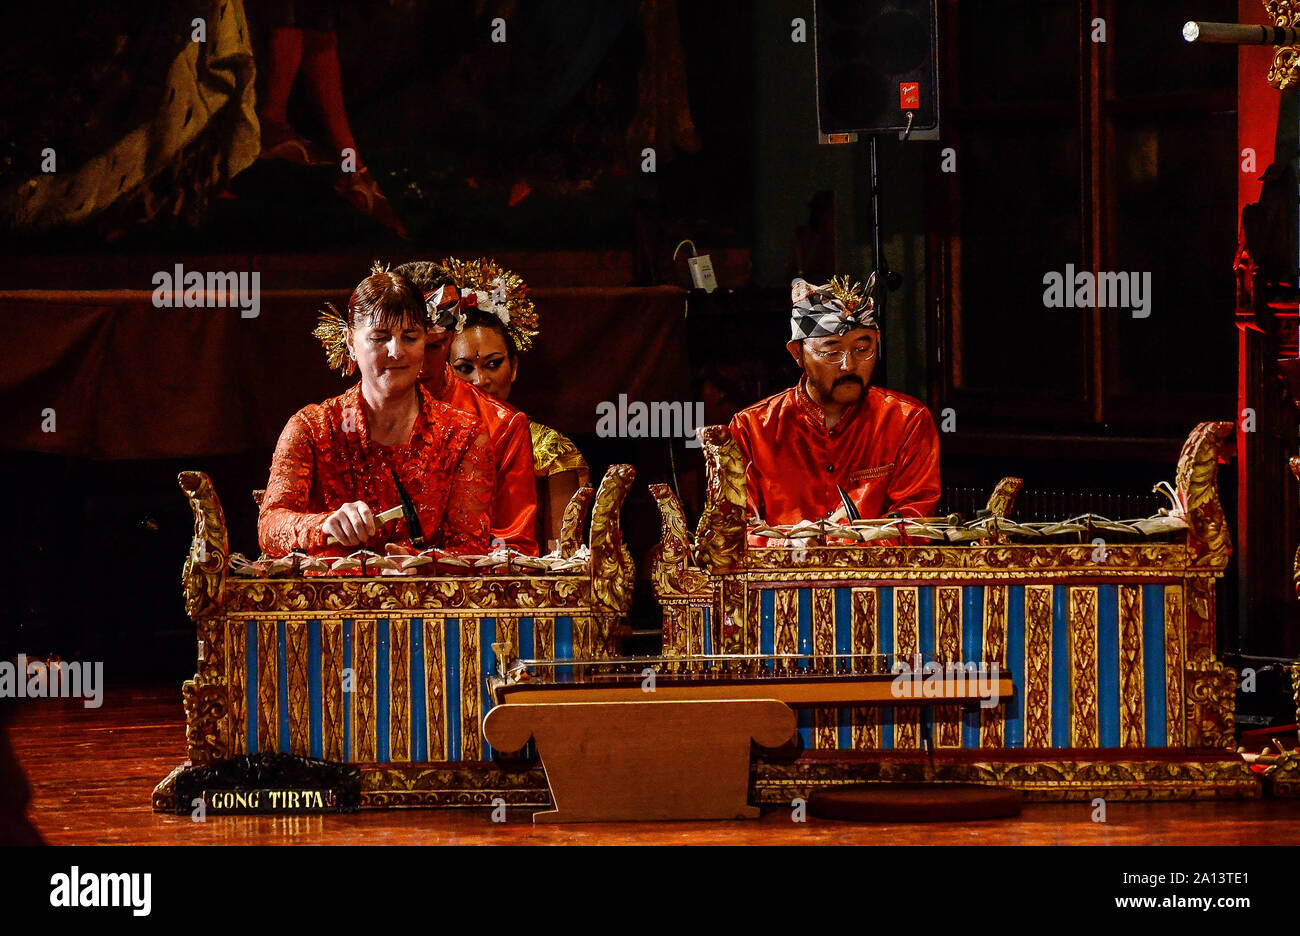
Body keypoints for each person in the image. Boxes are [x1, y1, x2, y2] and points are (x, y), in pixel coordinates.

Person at [258, 270, 495, 557]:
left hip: (425, 598)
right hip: (330, 598)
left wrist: (418, 565)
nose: (396, 352)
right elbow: (270, 527)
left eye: (410, 337)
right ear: (349, 341)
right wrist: (325, 525)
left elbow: (469, 548)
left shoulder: (463, 434)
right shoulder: (312, 427)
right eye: (380, 338)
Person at [728, 276, 941, 536]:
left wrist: (841, 549)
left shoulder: (907, 421)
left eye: (863, 349)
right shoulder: (751, 428)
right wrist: (791, 548)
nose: (849, 365)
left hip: (875, 575)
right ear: (798, 353)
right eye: (832, 353)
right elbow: (734, 532)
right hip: (782, 573)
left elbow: (914, 523)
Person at [392, 259, 541, 555]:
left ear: (452, 336)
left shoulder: (500, 424)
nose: (418, 362)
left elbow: (513, 548)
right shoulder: (341, 419)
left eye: (433, 346)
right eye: (408, 343)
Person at [444, 285, 591, 551]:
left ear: (513, 367)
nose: (480, 380)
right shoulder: (429, 439)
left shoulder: (550, 449)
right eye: (464, 368)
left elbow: (563, 557)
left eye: (493, 364)